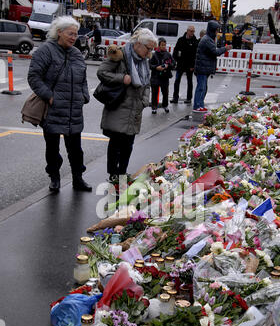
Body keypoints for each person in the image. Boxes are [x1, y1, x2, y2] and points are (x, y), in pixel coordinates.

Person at [27, 16, 92, 193]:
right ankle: (54, 178)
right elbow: (33, 76)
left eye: (76, 34)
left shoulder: (77, 53)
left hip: (74, 110)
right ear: (59, 32)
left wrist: (84, 96)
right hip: (53, 109)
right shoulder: (45, 51)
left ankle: (78, 179)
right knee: (52, 148)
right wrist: (49, 96)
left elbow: (83, 78)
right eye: (70, 34)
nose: (74, 37)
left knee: (76, 150)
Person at [97, 28, 157, 183]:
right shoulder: (121, 55)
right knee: (116, 143)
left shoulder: (144, 61)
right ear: (138, 44)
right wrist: (122, 78)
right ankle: (113, 174)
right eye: (148, 48)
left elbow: (147, 84)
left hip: (135, 108)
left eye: (151, 49)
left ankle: (122, 174)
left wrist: (145, 101)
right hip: (119, 105)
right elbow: (102, 72)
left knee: (128, 145)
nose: (149, 52)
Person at [193, 21, 232, 112]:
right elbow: (215, 52)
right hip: (202, 68)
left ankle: (200, 105)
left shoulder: (208, 39)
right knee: (201, 88)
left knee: (203, 88)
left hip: (204, 67)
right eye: (216, 30)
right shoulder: (207, 40)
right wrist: (225, 48)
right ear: (212, 30)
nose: (217, 32)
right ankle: (197, 105)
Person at [170, 25, 198, 104]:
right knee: (177, 81)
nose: (192, 33)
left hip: (189, 65)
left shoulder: (195, 41)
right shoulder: (181, 40)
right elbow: (175, 51)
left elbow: (195, 55)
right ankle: (175, 97)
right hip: (181, 64)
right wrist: (174, 60)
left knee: (189, 82)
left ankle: (189, 98)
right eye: (191, 31)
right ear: (187, 31)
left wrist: (193, 66)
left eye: (193, 31)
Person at [149, 37, 176, 114]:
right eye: (162, 45)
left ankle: (165, 105)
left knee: (165, 92)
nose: (164, 47)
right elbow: (150, 65)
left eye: (165, 45)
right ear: (158, 46)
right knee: (155, 93)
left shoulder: (168, 54)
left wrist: (168, 65)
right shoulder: (154, 55)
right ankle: (154, 107)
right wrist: (156, 67)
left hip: (165, 76)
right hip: (155, 77)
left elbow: (174, 64)